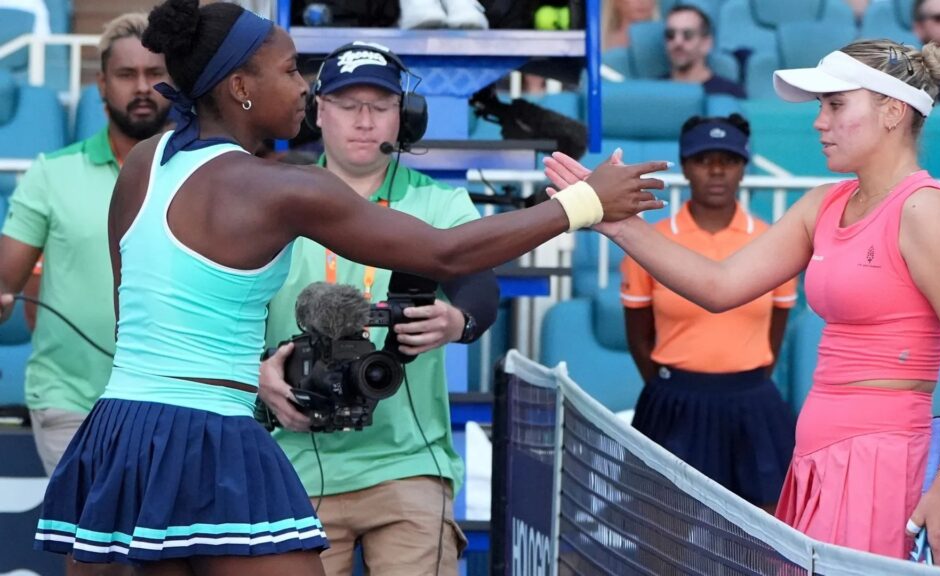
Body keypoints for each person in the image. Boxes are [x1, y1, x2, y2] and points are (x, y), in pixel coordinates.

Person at [25, 1, 667, 574]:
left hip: (120, 432)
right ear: (240, 88)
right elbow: (446, 252)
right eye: (289, 71)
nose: (302, 87)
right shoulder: (283, 189)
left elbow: (132, 317)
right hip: (210, 434)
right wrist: (583, 203)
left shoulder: (145, 162)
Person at [544, 39, 940, 566]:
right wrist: (618, 224)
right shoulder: (823, 203)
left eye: (836, 105)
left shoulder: (926, 210)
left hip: (883, 465)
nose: (819, 123)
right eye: (821, 107)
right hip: (814, 461)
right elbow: (720, 286)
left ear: (893, 111)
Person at [258, 40, 499, 575]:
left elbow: (479, 284)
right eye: (348, 105)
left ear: (404, 116)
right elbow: (226, 311)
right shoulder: (276, 199)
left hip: (409, 465)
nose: (364, 121)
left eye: (381, 105)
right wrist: (257, 376)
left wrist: (457, 322)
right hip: (295, 463)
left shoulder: (439, 203)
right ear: (318, 111)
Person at [1, 12, 170, 477]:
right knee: (89, 528)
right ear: (101, 85)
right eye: (126, 74)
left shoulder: (207, 175)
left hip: (175, 405)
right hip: (71, 402)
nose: (142, 87)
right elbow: (5, 282)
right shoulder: (51, 174)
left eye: (155, 74)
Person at [620, 113, 795, 513]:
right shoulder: (651, 241)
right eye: (703, 160)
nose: (716, 171)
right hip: (673, 402)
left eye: (729, 160)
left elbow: (776, 330)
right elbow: (638, 336)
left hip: (753, 403)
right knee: (663, 528)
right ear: (685, 167)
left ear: (743, 167)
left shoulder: (773, 240)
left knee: (764, 533)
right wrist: (675, 387)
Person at [662, 4, 745, 98]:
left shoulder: (729, 94)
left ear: (706, 44)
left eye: (687, 35)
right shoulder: (653, 90)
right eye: (670, 35)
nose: (677, 42)